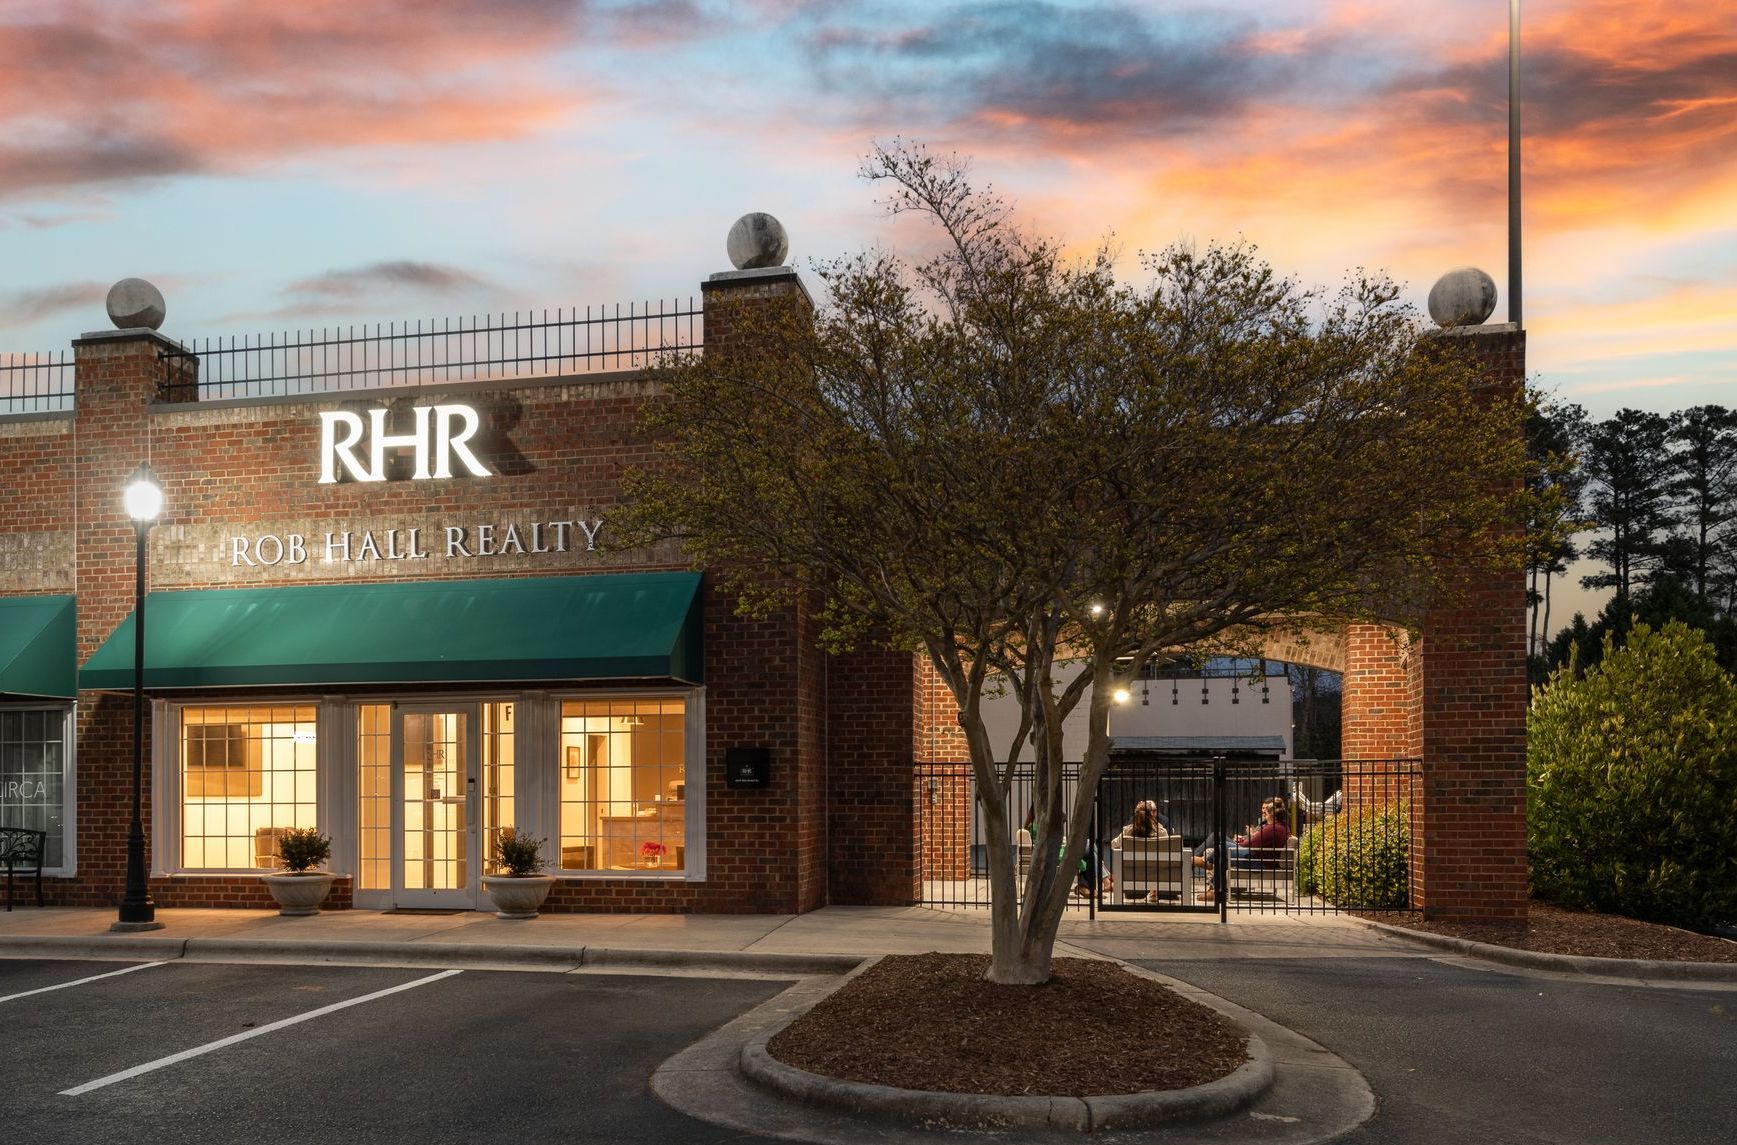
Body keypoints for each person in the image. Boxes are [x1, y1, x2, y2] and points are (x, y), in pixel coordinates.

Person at [1192, 795, 1290, 903]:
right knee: (1223, 851)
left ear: (1273, 814)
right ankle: (1215, 891)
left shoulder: (1273, 828)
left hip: (1258, 862)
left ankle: (1206, 862)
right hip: (1257, 857)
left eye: (1266, 812)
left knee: (1223, 846)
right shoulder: (1278, 826)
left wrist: (1240, 842)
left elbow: (1250, 844)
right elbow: (1254, 842)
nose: (1264, 814)